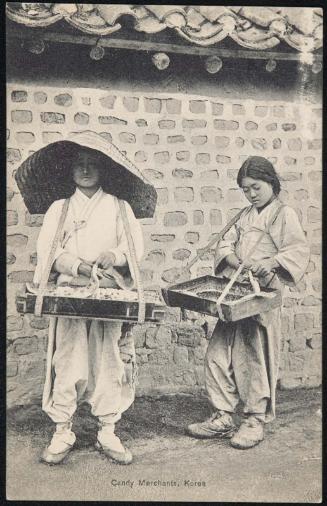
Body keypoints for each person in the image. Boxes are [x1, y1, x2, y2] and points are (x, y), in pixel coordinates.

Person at [186, 156, 310, 449]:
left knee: (253, 357)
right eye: (245, 189)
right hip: (235, 292)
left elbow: (296, 250)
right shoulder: (243, 215)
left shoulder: (283, 214)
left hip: (260, 295)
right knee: (217, 353)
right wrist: (233, 258)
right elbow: (225, 244)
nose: (251, 194)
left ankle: (254, 419)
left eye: (255, 187)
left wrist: (270, 263)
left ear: (271, 182)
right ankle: (222, 416)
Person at [34, 143, 144, 465]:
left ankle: (108, 429)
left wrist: (116, 256)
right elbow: (48, 252)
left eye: (92, 164)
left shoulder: (120, 207)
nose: (84, 170)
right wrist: (75, 266)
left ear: (103, 169)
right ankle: (62, 428)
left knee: (109, 357)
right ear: (70, 170)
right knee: (69, 357)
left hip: (107, 292)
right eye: (78, 164)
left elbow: (133, 246)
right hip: (70, 293)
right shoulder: (60, 209)